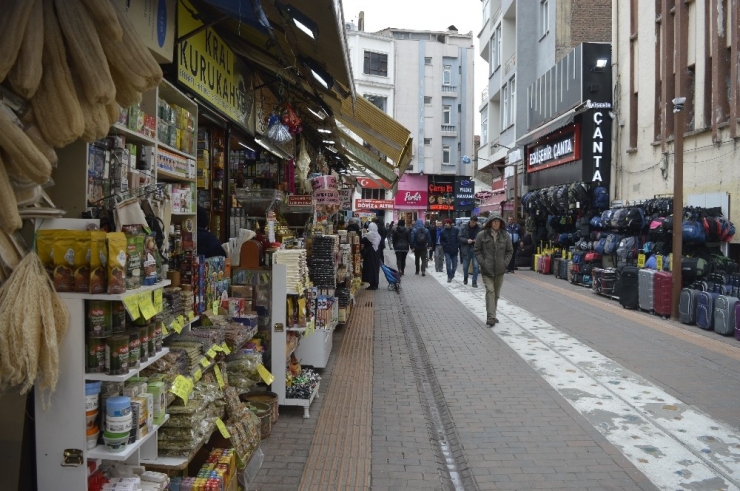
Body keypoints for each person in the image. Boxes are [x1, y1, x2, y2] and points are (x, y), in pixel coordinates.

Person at [475, 213, 513, 326]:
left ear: (501, 223)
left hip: (500, 269)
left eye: (498, 221)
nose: (496, 223)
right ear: (490, 223)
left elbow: (510, 251)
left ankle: (492, 314)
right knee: (490, 291)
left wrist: (505, 263)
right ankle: (491, 317)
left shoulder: (505, 235)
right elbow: (477, 250)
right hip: (487, 269)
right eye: (494, 221)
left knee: (496, 294)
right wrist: (483, 262)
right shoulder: (482, 235)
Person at [458, 216, 481, 287]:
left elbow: (483, 238)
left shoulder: (479, 229)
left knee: (476, 266)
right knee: (465, 267)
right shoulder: (464, 228)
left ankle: (474, 282)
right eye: (472, 222)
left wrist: (477, 241)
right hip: (466, 249)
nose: (473, 224)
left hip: (476, 249)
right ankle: (465, 278)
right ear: (470, 221)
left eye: (474, 222)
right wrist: (466, 240)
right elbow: (459, 237)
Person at [361, 222, 381, 290]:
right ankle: (375, 283)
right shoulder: (378, 235)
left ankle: (372, 284)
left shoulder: (369, 235)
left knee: (370, 268)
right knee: (375, 268)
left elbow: (362, 241)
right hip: (376, 253)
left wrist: (363, 233)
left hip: (370, 254)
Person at [439, 218, 460, 283]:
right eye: (445, 223)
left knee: (455, 265)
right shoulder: (443, 231)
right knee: (448, 264)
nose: (446, 224)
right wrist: (445, 245)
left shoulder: (456, 230)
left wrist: (457, 245)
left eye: (447, 223)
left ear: (450, 224)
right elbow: (441, 240)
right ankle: (449, 277)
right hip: (447, 250)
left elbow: (458, 238)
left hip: (454, 250)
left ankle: (452, 273)